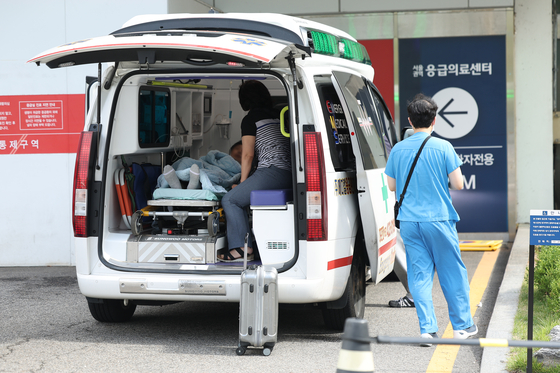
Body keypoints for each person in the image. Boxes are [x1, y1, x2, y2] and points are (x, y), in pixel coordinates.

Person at [384, 93, 477, 346]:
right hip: (439, 220)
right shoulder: (444, 147)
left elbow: (392, 186)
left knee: (420, 275)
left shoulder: (398, 149)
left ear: (410, 121)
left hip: (410, 223)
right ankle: (462, 327)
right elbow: (457, 184)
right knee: (452, 274)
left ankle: (427, 331)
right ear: (434, 121)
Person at [218, 80, 292, 262]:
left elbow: (247, 155)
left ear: (245, 101)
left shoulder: (251, 119)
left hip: (273, 171)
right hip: (290, 173)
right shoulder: (278, 114)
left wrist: (243, 182)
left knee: (231, 199)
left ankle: (242, 249)